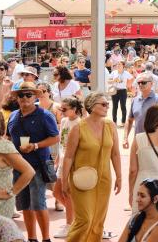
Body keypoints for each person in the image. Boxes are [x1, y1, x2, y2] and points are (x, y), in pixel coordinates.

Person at [62, 92, 122, 242]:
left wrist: (119, 176)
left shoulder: (110, 125)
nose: (107, 106)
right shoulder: (78, 128)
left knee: (98, 220)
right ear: (91, 106)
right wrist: (64, 181)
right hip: (83, 180)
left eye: (107, 104)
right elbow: (68, 157)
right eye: (103, 104)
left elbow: (115, 154)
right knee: (85, 219)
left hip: (104, 179)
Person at [6, 82, 60, 242]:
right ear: (16, 98)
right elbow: (8, 137)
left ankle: (45, 239)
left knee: (38, 203)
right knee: (24, 205)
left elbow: (55, 137)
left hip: (38, 165)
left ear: (35, 96)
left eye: (28, 94)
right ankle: (31, 238)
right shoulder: (13, 116)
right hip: (18, 167)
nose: (24, 98)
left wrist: (35, 145)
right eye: (21, 95)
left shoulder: (45, 115)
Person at [52, 96, 83, 238]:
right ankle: (77, 218)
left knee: (66, 194)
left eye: (64, 109)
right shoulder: (64, 121)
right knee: (56, 193)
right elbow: (61, 142)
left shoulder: (79, 124)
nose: (61, 111)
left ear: (75, 109)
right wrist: (58, 159)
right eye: (61, 108)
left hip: (72, 164)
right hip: (62, 162)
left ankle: (70, 224)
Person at [124, 73, 158, 149]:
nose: (140, 85)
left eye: (143, 82)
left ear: (151, 84)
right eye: (138, 82)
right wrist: (125, 138)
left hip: (154, 143)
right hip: (138, 142)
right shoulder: (135, 100)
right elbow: (130, 120)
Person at [109, 60, 133, 127]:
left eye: (119, 64)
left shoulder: (126, 73)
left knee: (123, 106)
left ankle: (123, 122)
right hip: (115, 90)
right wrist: (114, 80)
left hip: (123, 91)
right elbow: (108, 81)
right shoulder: (114, 72)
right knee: (114, 107)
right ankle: (114, 122)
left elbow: (132, 78)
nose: (118, 65)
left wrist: (128, 85)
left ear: (123, 66)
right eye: (117, 64)